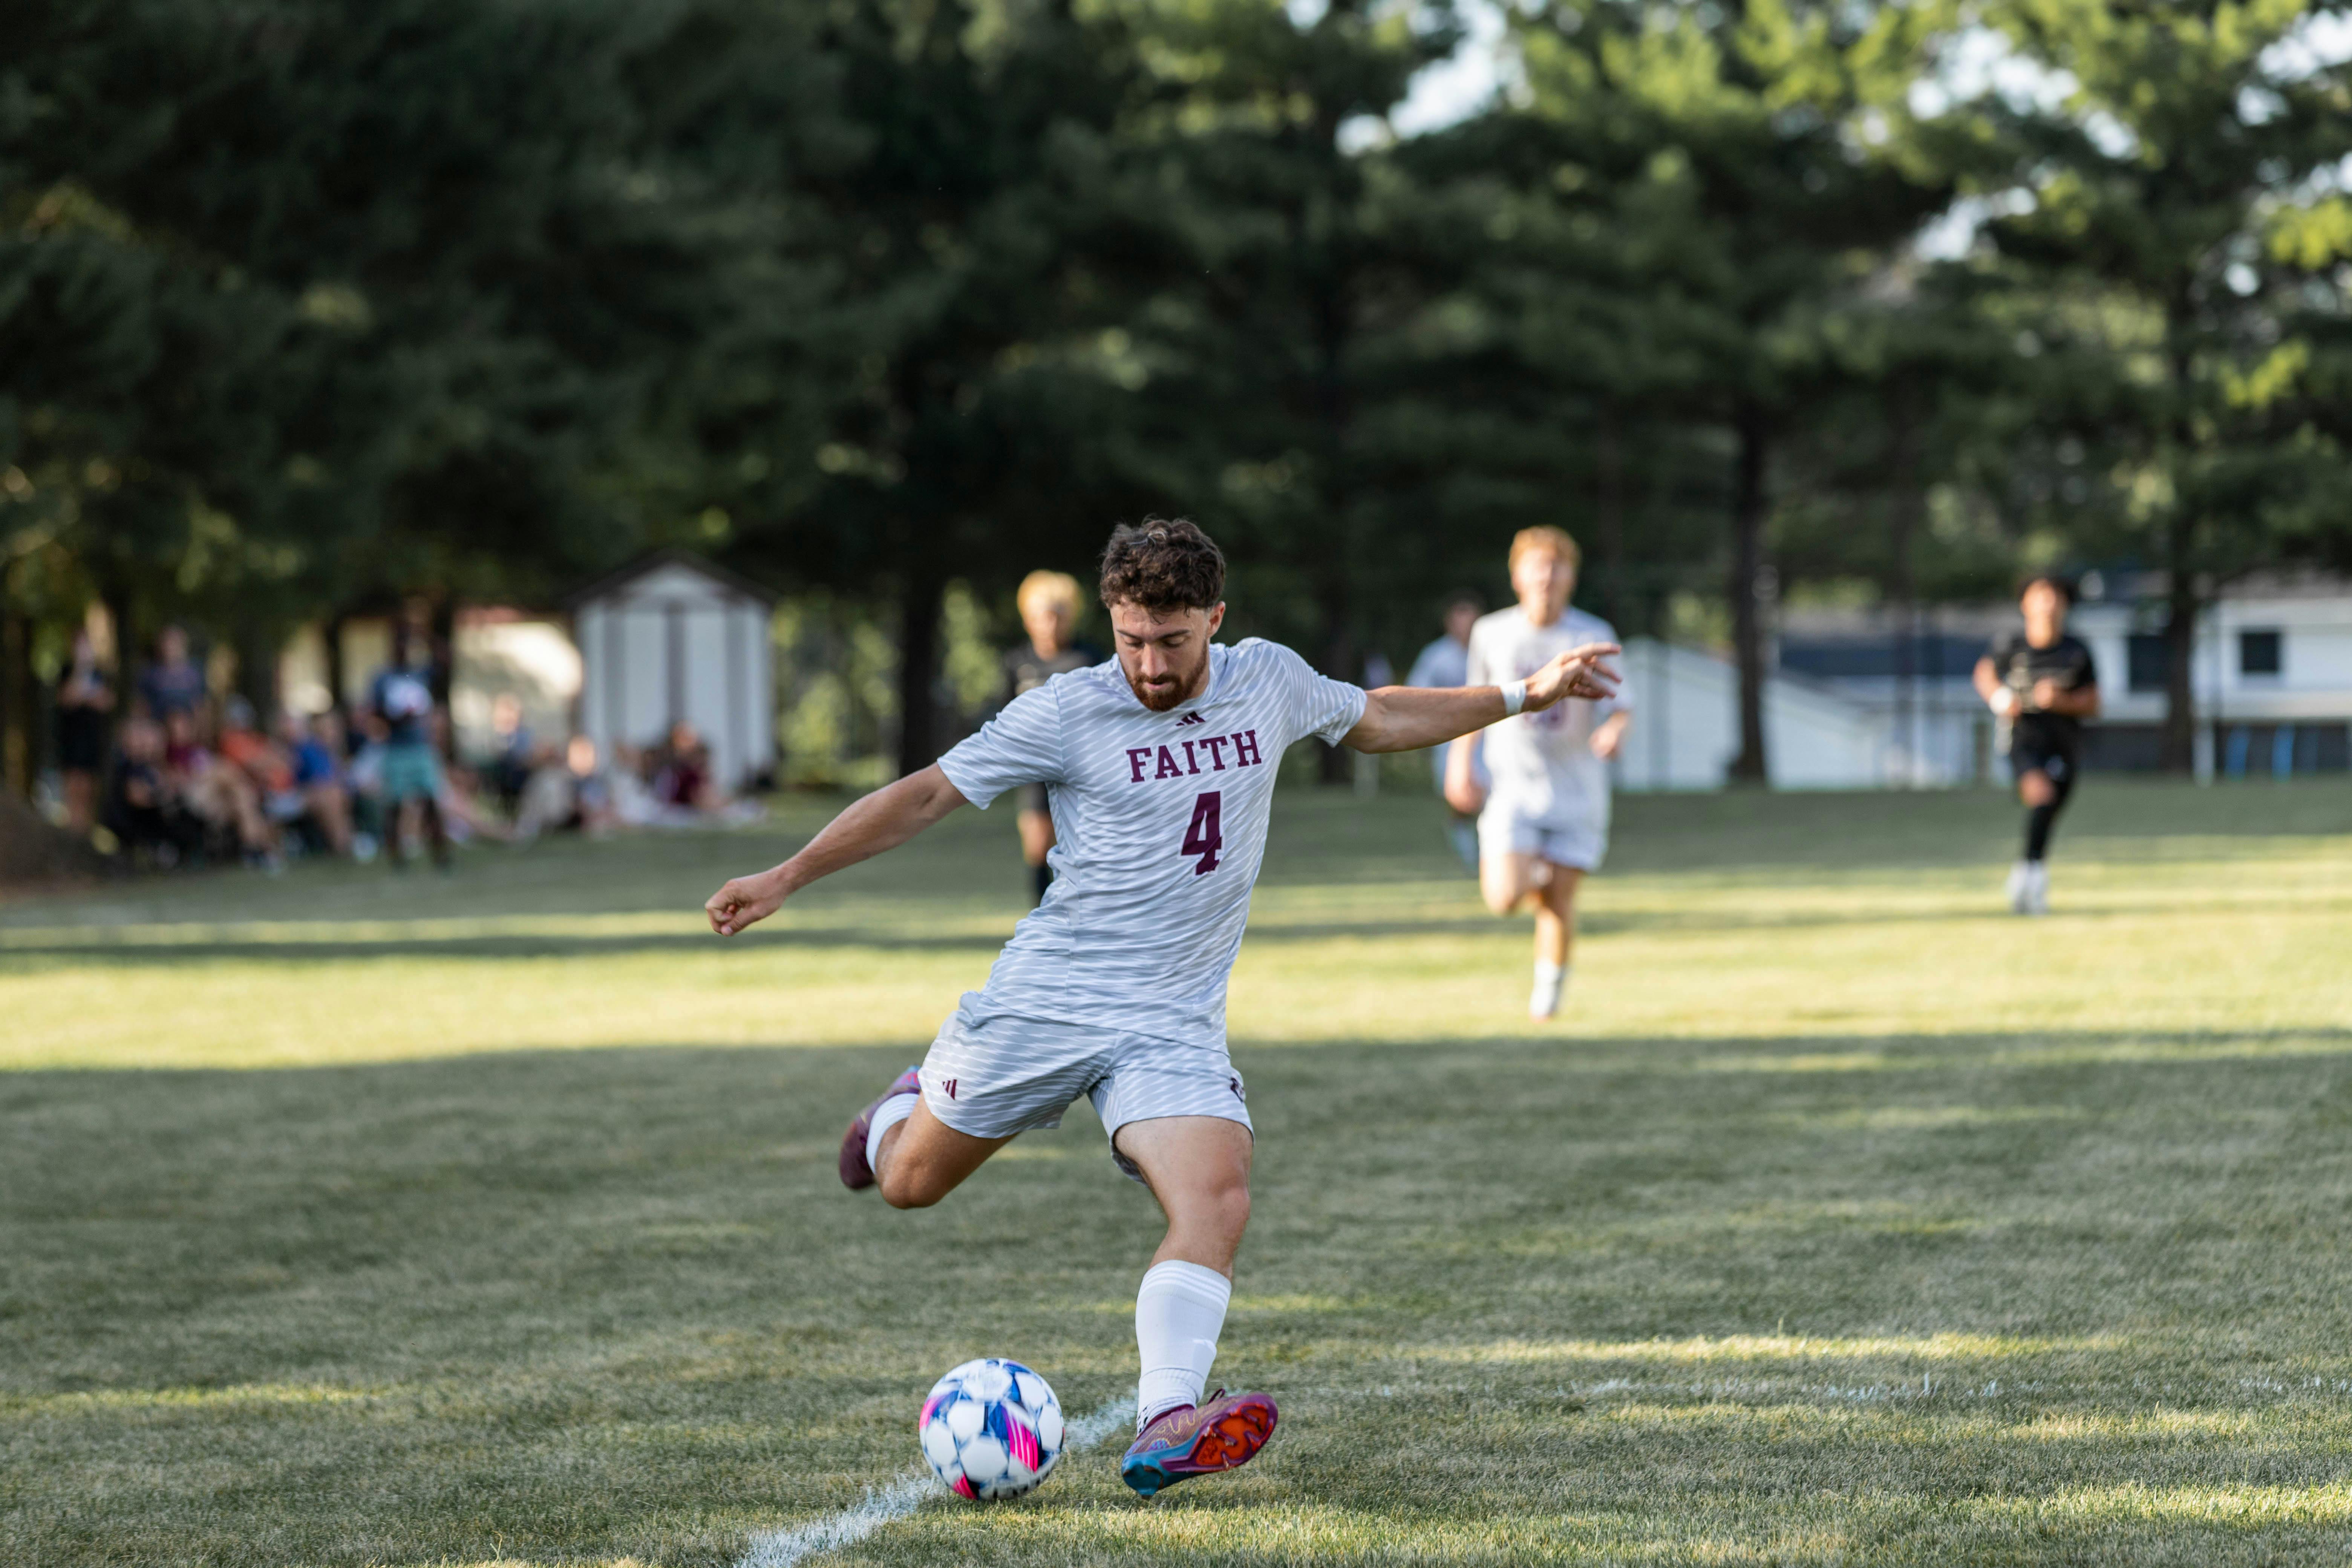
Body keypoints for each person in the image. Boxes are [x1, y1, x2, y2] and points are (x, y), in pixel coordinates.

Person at [701, 520, 1618, 1498]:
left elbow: (1384, 717)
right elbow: (928, 797)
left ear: (1214, 621)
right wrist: (789, 874)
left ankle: (1167, 1418)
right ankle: (895, 1112)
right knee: (909, 1184)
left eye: (1172, 641)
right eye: (1132, 638)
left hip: (1174, 1018)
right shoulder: (1066, 710)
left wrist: (1528, 693)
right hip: (1049, 1001)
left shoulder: (1267, 678)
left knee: (1218, 1190)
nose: (1149, 662)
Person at [1444, 527, 1633, 1023]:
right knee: (1504, 897)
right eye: (1538, 565)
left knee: (1559, 903)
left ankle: (1548, 999)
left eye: (1558, 566)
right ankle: (1541, 870)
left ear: (1572, 576)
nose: (1547, 576)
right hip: (1514, 789)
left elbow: (1623, 706)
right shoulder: (1492, 632)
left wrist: (1615, 729)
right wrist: (1461, 764)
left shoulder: (1592, 635)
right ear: (1517, 575)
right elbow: (1474, 704)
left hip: (1577, 789)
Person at [1973, 575, 2100, 915]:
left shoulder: (2077, 651)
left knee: (2047, 812)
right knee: (2040, 796)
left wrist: (2061, 701)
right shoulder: (2010, 645)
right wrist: (2000, 698)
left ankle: (2025, 875)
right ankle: (2035, 884)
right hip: (2023, 740)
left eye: (2056, 596)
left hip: (2064, 743)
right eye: (2040, 595)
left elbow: (2094, 703)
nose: (2048, 603)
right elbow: (1984, 674)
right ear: (2025, 603)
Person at [1001, 570, 1095, 904]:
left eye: (1059, 615)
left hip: (1082, 767)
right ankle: (1043, 914)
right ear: (1029, 618)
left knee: (1079, 847)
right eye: (1044, 616)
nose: (1051, 624)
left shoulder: (1088, 660)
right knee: (1038, 846)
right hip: (1036, 769)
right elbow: (1004, 716)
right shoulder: (1016, 663)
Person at [1407, 592, 1484, 871]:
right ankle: (1470, 858)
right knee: (1459, 802)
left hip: (1490, 740)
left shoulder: (1491, 649)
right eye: (1459, 619)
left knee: (1495, 798)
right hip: (1450, 742)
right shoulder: (1436, 656)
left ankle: (1495, 856)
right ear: (1449, 622)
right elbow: (1415, 694)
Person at [369, 631, 450, 871]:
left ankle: (441, 855)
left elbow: (445, 659)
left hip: (421, 749)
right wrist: (397, 717)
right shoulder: (383, 679)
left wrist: (427, 637)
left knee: (431, 802)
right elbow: (374, 712)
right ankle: (397, 857)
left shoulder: (421, 674)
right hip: (396, 749)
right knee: (394, 806)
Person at [55, 628, 115, 835]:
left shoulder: (99, 674)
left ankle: (85, 835)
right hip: (71, 739)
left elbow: (106, 702)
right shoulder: (67, 671)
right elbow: (67, 700)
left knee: (89, 789)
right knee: (73, 786)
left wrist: (84, 696)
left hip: (92, 739)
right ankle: (72, 831)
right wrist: (81, 678)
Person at [136, 625, 206, 723]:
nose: (170, 647)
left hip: (188, 727)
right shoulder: (150, 674)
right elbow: (142, 705)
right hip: (158, 727)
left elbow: (200, 704)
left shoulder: (195, 673)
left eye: (174, 643)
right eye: (166, 643)